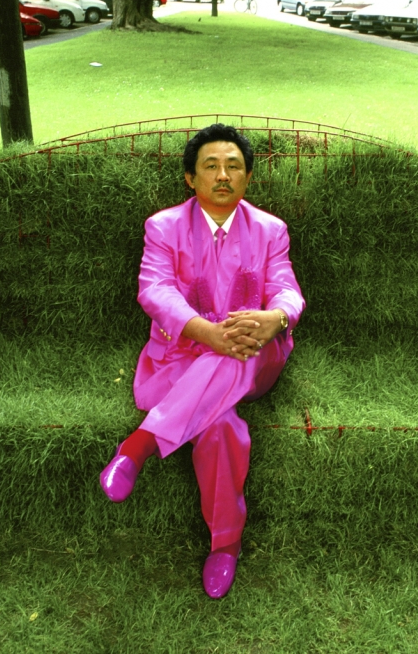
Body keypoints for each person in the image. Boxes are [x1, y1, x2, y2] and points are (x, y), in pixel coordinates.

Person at [99, 124, 305, 599]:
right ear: (190, 178)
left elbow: (286, 288)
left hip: (254, 355)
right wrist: (206, 333)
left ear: (248, 176)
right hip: (181, 357)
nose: (223, 175)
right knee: (221, 426)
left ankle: (141, 444)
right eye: (211, 166)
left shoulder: (271, 230)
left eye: (234, 166)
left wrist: (276, 318)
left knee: (240, 349)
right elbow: (155, 290)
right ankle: (226, 545)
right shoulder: (163, 227)